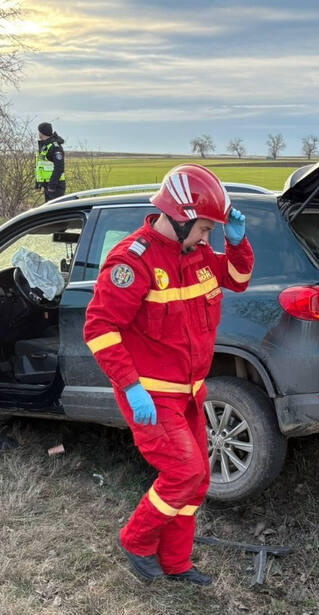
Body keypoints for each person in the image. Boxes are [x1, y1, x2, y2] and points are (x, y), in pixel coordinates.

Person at [83, 164, 254, 585]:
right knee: (185, 473)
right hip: (151, 393)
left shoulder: (195, 256)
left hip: (190, 391)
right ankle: (136, 540)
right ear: (178, 218)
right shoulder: (132, 260)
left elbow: (238, 280)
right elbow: (100, 328)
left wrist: (238, 244)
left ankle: (176, 562)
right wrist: (130, 385)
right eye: (202, 230)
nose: (205, 239)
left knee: (195, 484)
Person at [35, 122, 66, 202]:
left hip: (55, 186)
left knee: (57, 212)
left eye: (39, 131)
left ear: (42, 132)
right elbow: (39, 166)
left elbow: (59, 168)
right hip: (48, 186)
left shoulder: (55, 147)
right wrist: (38, 184)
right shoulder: (45, 146)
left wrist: (52, 186)